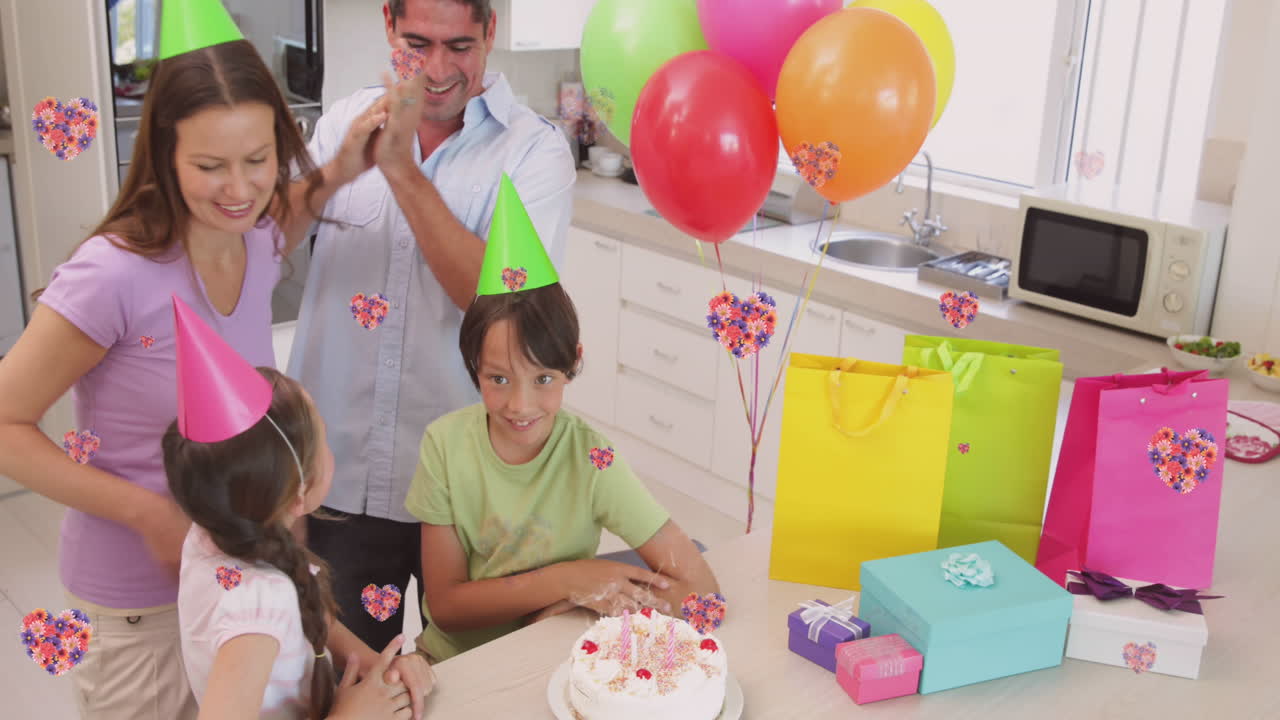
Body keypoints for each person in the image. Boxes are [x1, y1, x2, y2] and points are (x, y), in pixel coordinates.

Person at [0, 2, 380, 716]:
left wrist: (339, 170)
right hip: (141, 605)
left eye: (257, 161)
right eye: (210, 166)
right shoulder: (112, 275)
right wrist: (149, 515)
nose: (238, 190)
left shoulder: (256, 237)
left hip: (249, 577)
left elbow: (284, 214)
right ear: (165, 155)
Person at [285, 0, 576, 651]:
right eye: (418, 44)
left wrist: (401, 171)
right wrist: (340, 171)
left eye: (460, 46)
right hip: (340, 480)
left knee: (478, 678)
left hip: (470, 485)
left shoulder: (535, 152)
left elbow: (503, 305)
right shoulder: (341, 124)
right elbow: (264, 239)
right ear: (388, 23)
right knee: (349, 679)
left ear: (490, 31)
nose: (439, 69)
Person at [405, 177, 719, 661]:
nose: (520, 405)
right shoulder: (444, 446)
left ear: (573, 362)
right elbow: (447, 608)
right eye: (498, 378)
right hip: (454, 665)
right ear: (473, 367)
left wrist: (579, 603)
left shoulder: (592, 460)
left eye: (543, 379)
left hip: (551, 664)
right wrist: (566, 580)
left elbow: (703, 596)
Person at [162, 297, 433, 719]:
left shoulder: (215, 533)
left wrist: (381, 667)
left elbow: (310, 617)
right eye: (323, 438)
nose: (330, 446)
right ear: (299, 494)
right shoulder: (257, 605)